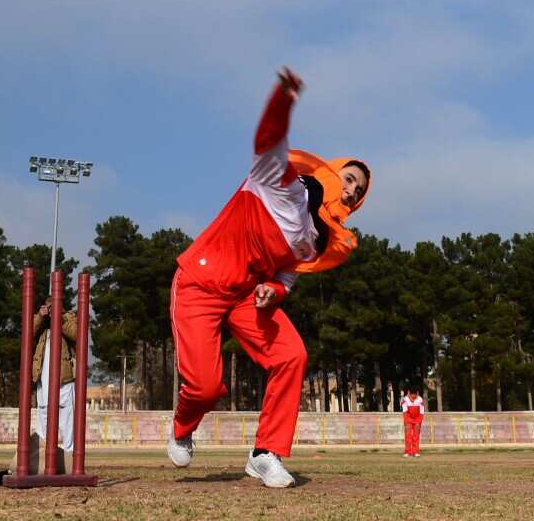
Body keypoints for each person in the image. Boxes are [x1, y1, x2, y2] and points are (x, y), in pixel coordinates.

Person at [167, 67, 371, 488]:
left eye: (359, 191)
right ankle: (183, 425)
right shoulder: (277, 182)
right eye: (350, 179)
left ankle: (265, 453)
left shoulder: (318, 241)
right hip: (200, 284)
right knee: (207, 388)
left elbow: (288, 276)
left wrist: (274, 289)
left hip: (246, 297)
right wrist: (284, 99)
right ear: (332, 172)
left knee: (291, 356)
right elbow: (269, 140)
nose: (351, 191)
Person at [10, 297, 78, 475]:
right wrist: (40, 316)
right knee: (43, 412)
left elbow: (77, 334)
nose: (51, 309)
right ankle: (43, 455)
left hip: (64, 378)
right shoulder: (41, 325)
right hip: (42, 378)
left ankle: (69, 456)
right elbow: (27, 333)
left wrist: (60, 316)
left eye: (54, 306)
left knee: (68, 415)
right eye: (48, 306)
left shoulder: (68, 317)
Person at [401, 387, 425, 457]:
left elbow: (422, 412)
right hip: (408, 419)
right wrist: (406, 422)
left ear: (417, 393)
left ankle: (416, 452)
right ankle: (407, 452)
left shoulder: (420, 399)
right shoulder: (405, 400)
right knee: (408, 435)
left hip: (417, 419)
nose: (414, 396)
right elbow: (405, 412)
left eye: (415, 394)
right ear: (409, 393)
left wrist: (419, 422)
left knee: (416, 436)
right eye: (412, 394)